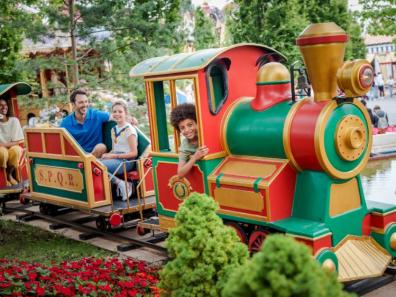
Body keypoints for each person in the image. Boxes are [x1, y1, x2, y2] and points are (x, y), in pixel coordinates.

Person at [101, 100, 137, 201]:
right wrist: (108, 154)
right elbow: (115, 149)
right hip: (116, 159)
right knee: (93, 162)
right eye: (115, 111)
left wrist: (113, 156)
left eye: (120, 112)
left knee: (98, 166)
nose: (117, 114)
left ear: (125, 113)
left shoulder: (129, 129)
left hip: (127, 162)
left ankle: (124, 184)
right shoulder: (113, 129)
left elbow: (134, 153)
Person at [60, 89, 109, 158]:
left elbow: (114, 116)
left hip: (95, 156)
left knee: (101, 147)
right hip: (77, 157)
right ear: (73, 104)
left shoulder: (96, 115)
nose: (85, 105)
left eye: (86, 101)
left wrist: (127, 117)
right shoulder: (65, 123)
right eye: (81, 102)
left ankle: (88, 163)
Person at [170, 103, 209, 178]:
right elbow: (180, 173)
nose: (187, 130)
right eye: (182, 128)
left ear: (197, 123)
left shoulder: (206, 134)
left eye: (190, 125)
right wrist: (194, 157)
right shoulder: (185, 145)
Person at [0, 99, 24, 186]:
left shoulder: (14, 120)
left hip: (11, 147)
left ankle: (9, 174)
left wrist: (3, 145)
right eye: (0, 105)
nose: (3, 107)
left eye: (5, 104)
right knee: (2, 152)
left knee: (17, 150)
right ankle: (3, 178)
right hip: (2, 149)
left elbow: (17, 141)